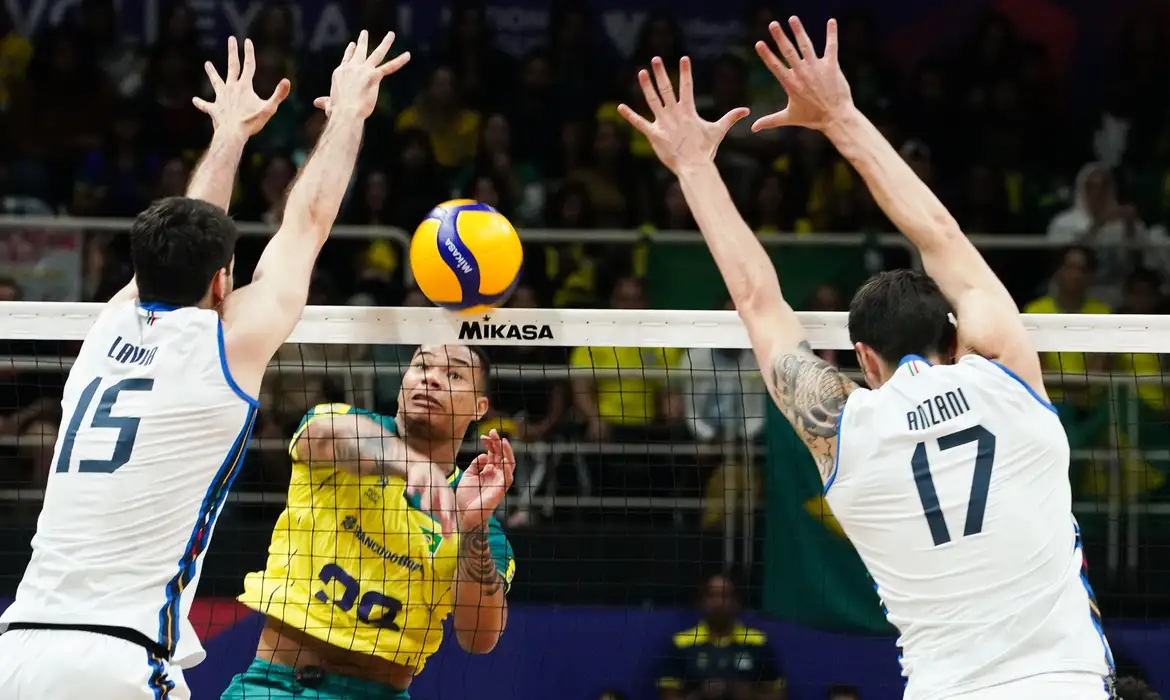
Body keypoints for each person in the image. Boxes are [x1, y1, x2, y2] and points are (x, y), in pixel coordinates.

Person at [619, 16, 1114, 700]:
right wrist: (841, 115)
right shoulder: (1005, 376)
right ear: (954, 332)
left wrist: (694, 165)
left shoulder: (845, 430)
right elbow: (939, 233)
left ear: (862, 358)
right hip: (1067, 685)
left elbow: (757, 300)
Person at [0, 31, 409, 699]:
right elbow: (304, 223)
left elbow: (190, 229)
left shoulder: (105, 328)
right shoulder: (225, 348)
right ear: (223, 284)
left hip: (15, 648)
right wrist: (345, 118)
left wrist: (227, 134)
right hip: (119, 661)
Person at [222, 343, 516, 700]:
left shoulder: (481, 522)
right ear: (403, 382)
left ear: (479, 407)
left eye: (453, 374)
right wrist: (410, 463)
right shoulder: (342, 423)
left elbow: (479, 638)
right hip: (279, 686)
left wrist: (474, 525)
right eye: (422, 367)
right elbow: (324, 438)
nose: (433, 380)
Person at [657, 574, 785, 700]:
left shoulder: (758, 642)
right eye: (712, 596)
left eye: (725, 596)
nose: (718, 603)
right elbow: (668, 696)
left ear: (737, 602)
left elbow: (778, 695)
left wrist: (752, 696)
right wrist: (699, 695)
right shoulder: (681, 643)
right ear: (701, 602)